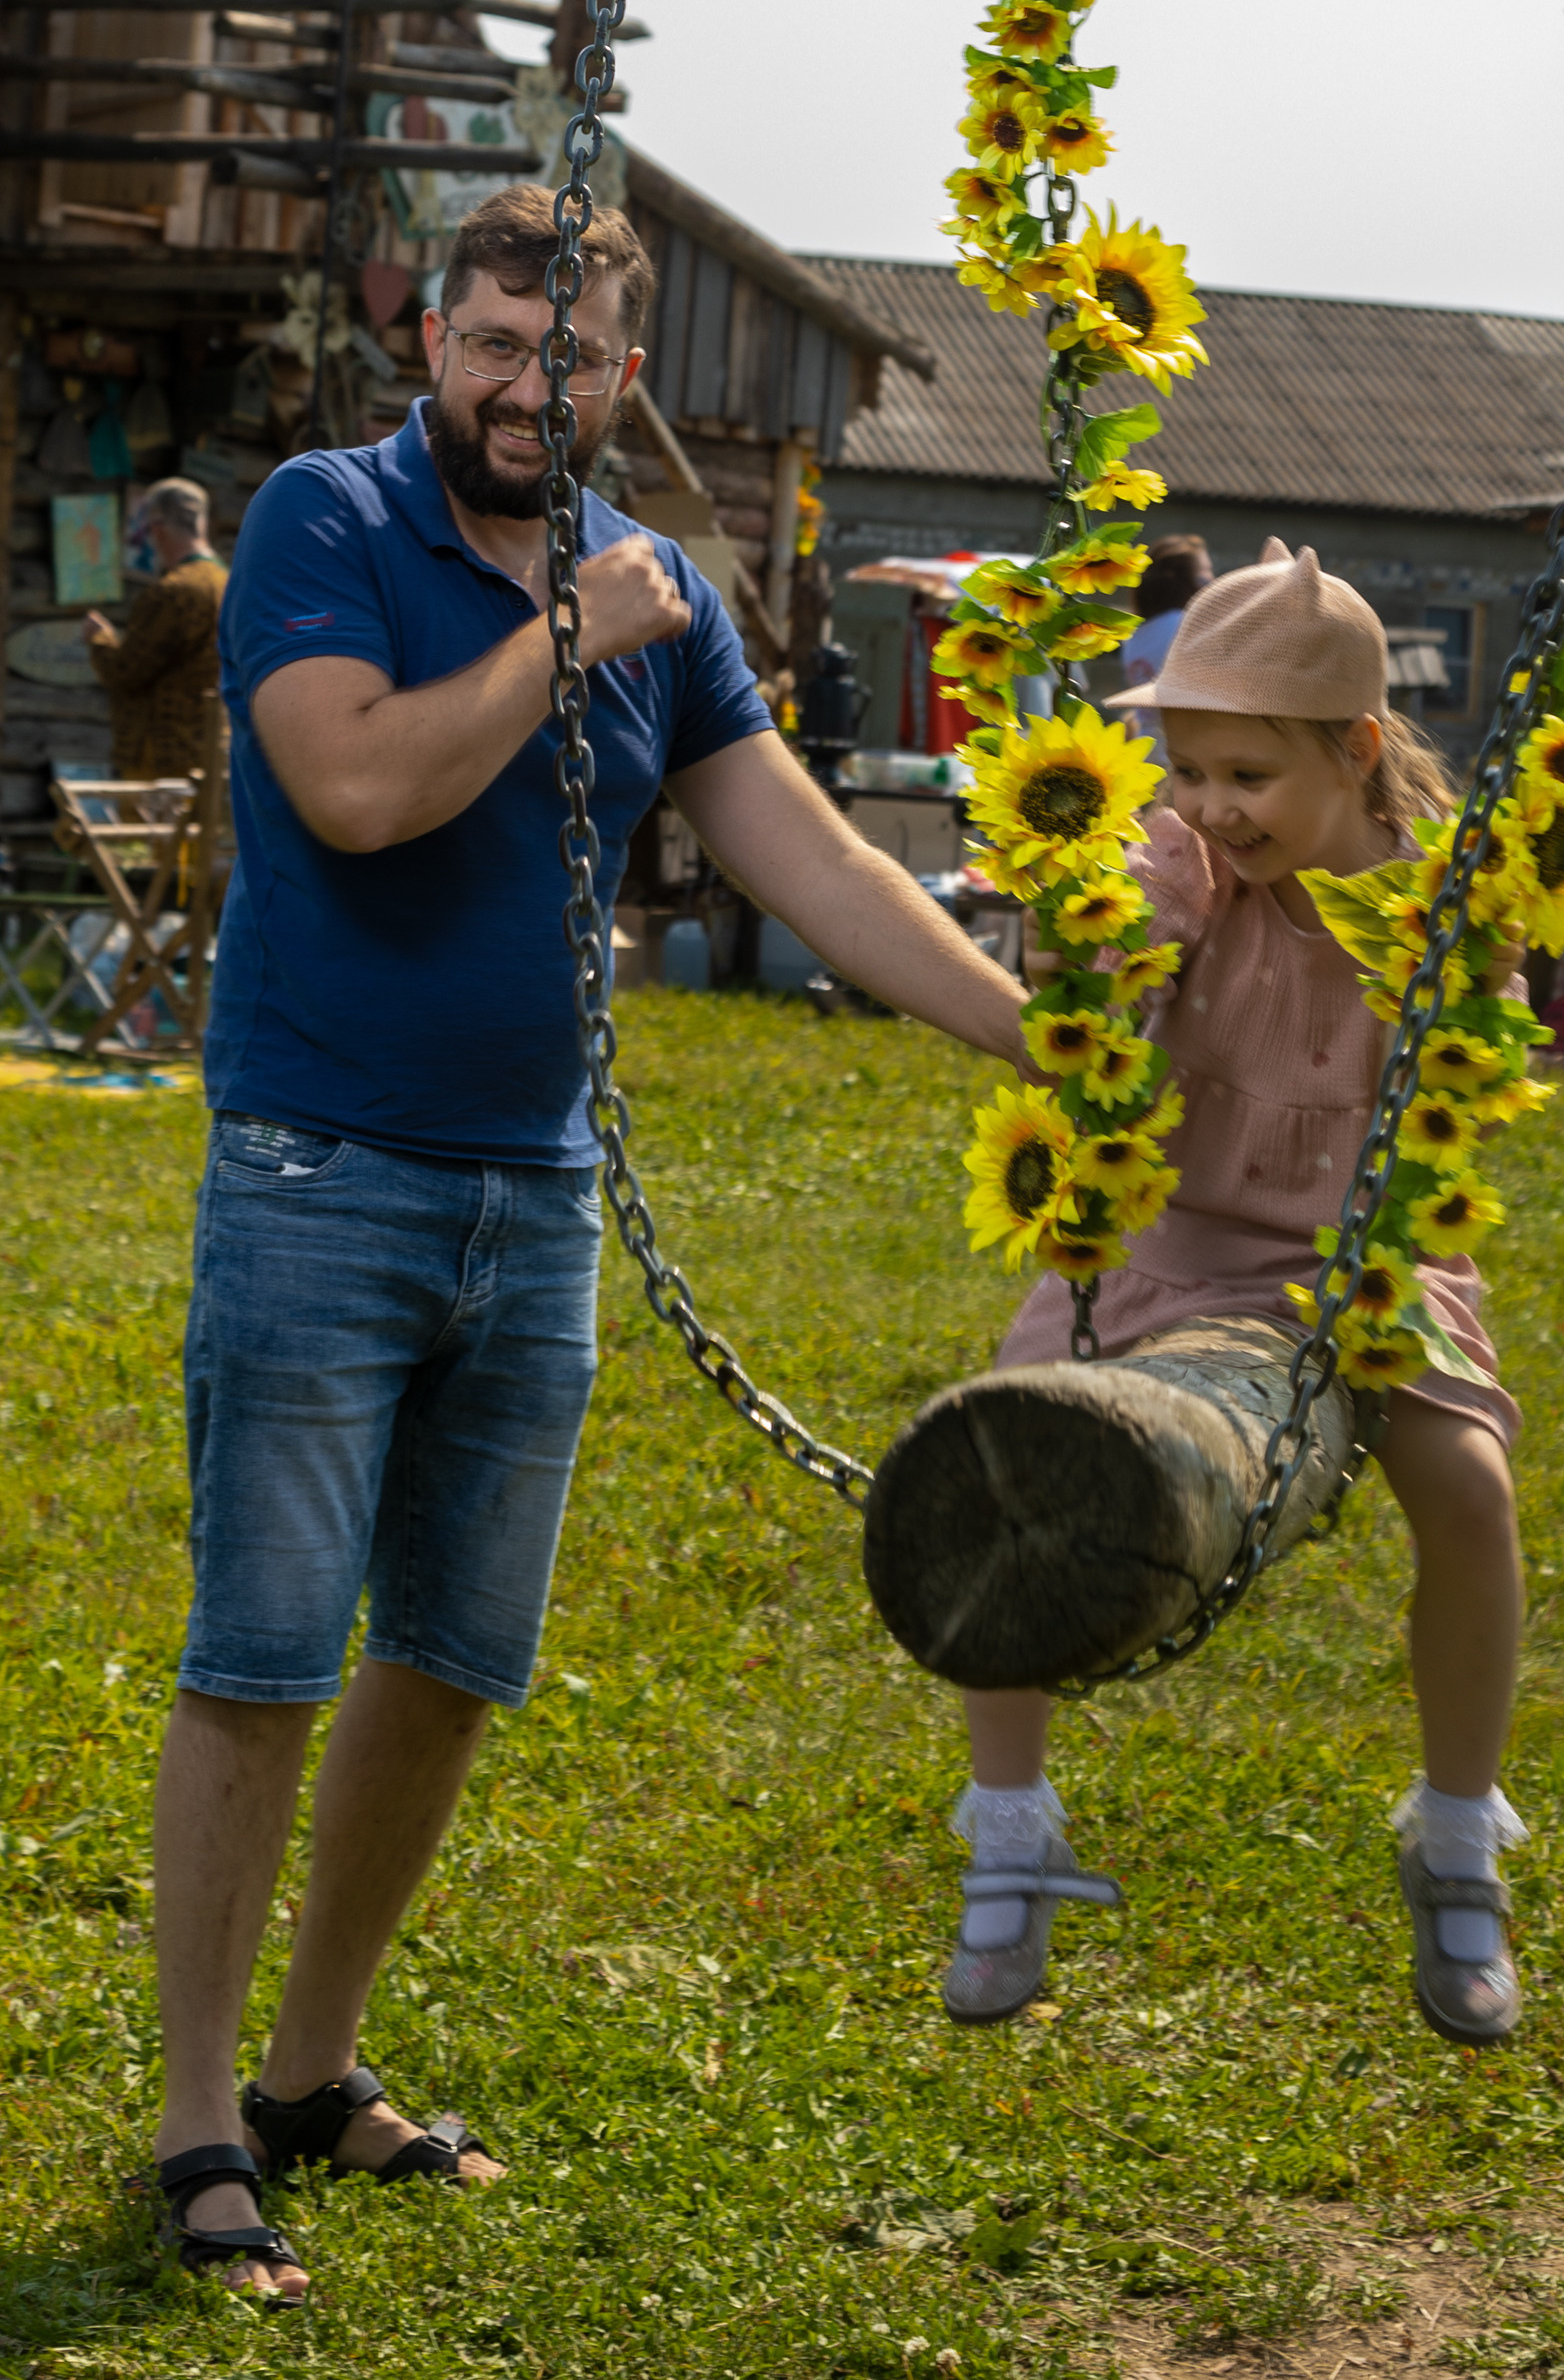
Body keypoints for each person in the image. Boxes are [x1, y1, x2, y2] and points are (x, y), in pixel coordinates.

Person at [150, 185, 1034, 2305]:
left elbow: (803, 856)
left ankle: (309, 2072)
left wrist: (1035, 1037)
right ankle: (193, 2122)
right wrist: (565, 637)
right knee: (265, 1661)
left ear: (619, 378)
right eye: (486, 349)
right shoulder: (324, 527)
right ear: (429, 346)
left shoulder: (660, 593)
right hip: (318, 1172)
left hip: (528, 1198)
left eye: (565, 361)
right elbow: (357, 791)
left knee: (451, 1663)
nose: (520, 391)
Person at [941, 542, 1526, 2047]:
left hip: (1365, 1252)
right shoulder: (1183, 860)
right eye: (1186, 766)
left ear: (1359, 755)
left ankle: (1455, 1838)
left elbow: (1480, 1071)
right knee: (1005, 1462)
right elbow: (1118, 943)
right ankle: (1011, 1840)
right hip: (1165, 1236)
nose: (1209, 804)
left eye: (1246, 775)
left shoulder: (1439, 905)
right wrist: (1104, 925)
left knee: (1468, 1493)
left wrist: (1468, 966)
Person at [84, 478, 225, 778]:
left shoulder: (172, 592)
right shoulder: (231, 584)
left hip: (161, 757)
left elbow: (126, 673)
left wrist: (99, 638)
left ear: (158, 531)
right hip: (217, 753)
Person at [1111, 533, 1212, 772]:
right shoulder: (1187, 625)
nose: (1211, 579)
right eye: (1206, 572)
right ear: (1191, 580)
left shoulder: (1137, 635)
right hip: (1185, 756)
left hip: (1145, 752)